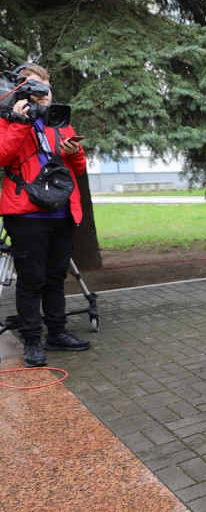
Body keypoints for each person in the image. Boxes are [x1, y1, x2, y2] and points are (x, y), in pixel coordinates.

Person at [0, 63, 90, 368]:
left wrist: (75, 153)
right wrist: (20, 122)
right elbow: (2, 155)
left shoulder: (59, 120)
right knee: (31, 280)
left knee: (55, 278)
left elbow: (78, 169)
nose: (43, 93)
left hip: (62, 212)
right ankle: (32, 341)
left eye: (46, 88)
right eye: (35, 87)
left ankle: (57, 333)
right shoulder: (7, 119)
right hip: (26, 214)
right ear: (20, 90)